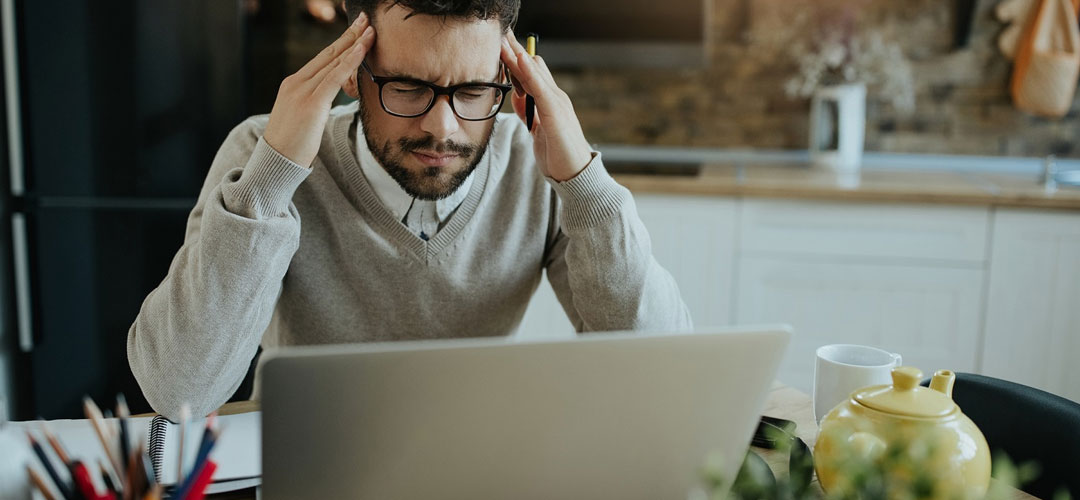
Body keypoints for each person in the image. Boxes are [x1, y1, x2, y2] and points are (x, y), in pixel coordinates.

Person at [127, 0, 692, 421]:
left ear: (509, 77)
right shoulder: (261, 157)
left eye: (472, 92)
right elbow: (179, 388)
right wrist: (273, 178)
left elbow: (659, 369)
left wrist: (584, 185)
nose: (441, 128)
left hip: (471, 469)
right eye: (407, 87)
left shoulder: (537, 166)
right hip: (305, 467)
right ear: (353, 69)